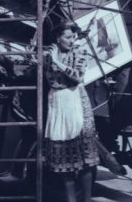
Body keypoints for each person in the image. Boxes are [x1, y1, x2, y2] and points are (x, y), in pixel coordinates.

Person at [43, 21, 100, 202]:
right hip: (58, 103)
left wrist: (57, 62)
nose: (72, 40)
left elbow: (78, 76)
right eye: (68, 37)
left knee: (84, 157)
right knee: (63, 157)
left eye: (73, 37)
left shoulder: (80, 52)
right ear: (58, 38)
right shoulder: (49, 54)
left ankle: (87, 199)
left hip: (76, 101)